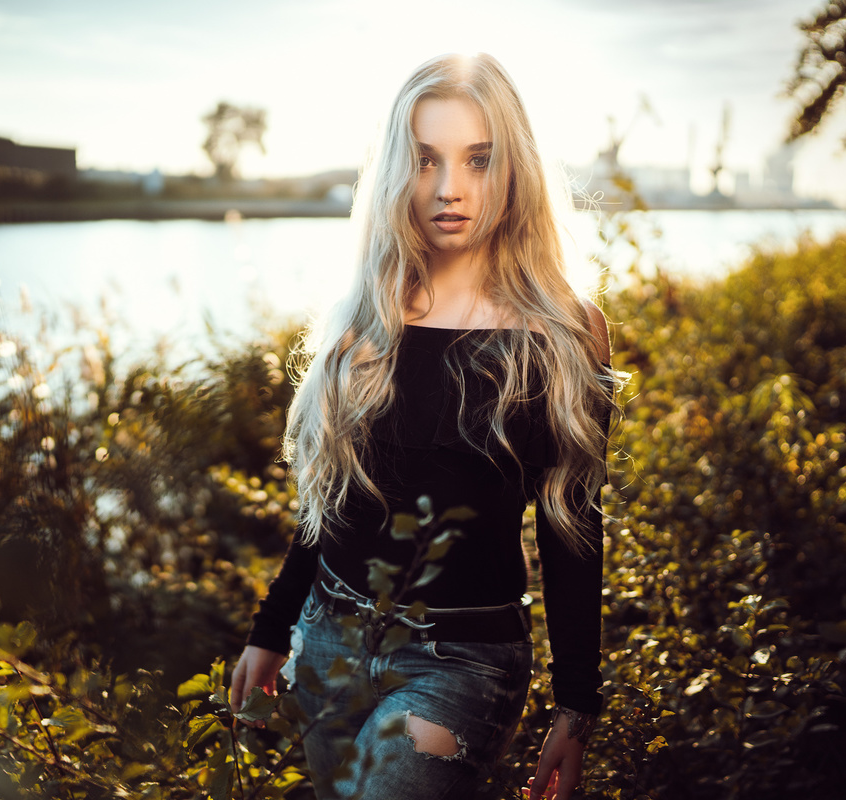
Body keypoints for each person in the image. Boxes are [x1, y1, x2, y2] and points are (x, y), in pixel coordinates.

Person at [229, 53, 617, 800]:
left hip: (461, 662)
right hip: (329, 644)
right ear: (397, 173)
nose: (450, 189)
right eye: (426, 160)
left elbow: (574, 527)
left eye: (479, 159)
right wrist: (271, 627)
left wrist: (576, 702)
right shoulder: (366, 318)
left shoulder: (566, 333)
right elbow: (330, 502)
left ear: (516, 169)